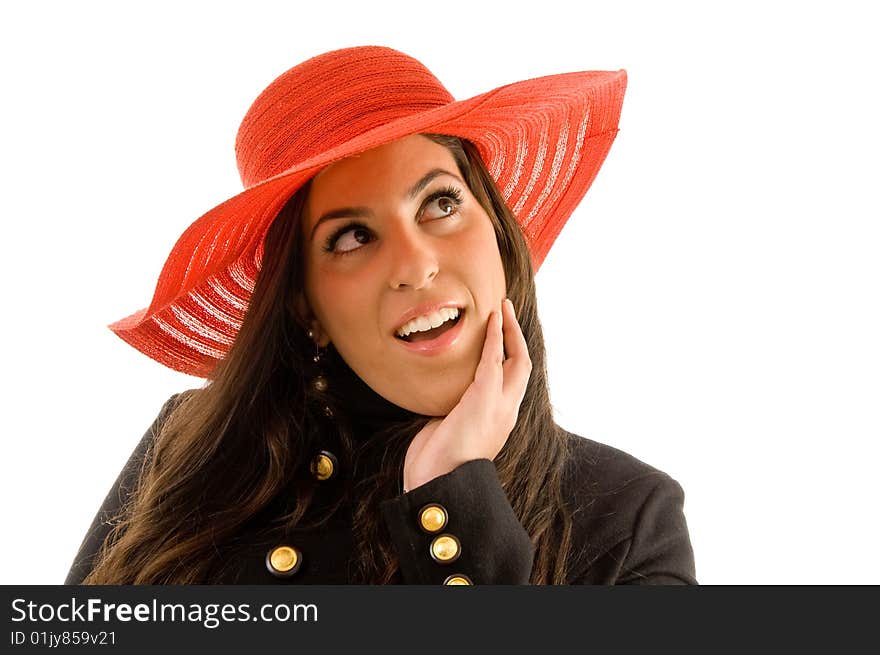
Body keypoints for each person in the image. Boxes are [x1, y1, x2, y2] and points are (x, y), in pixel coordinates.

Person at [65, 45, 696, 585]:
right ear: (304, 305)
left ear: (499, 236)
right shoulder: (193, 449)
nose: (416, 264)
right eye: (350, 238)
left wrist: (454, 500)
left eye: (441, 203)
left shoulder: (627, 517)